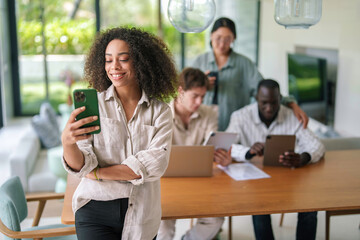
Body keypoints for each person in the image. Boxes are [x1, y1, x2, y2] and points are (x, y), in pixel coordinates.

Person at [61, 27, 178, 240]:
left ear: (142, 62)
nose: (114, 66)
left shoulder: (160, 112)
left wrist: (98, 173)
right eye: (108, 60)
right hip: (94, 208)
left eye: (123, 59)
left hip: (142, 214)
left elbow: (154, 164)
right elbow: (81, 164)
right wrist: (68, 143)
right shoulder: (94, 106)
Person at [218, 79, 325, 240]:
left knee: (310, 206)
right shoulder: (240, 117)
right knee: (259, 207)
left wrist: (303, 158)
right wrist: (248, 152)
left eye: (274, 103)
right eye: (264, 103)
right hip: (254, 184)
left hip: (288, 181)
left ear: (280, 99)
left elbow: (317, 145)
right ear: (256, 98)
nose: (269, 108)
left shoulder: (292, 116)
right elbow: (225, 148)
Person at [192, 17, 308, 131]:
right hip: (202, 128)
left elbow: (264, 91)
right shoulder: (199, 61)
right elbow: (185, 92)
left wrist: (291, 104)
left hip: (235, 129)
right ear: (211, 35)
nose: (222, 44)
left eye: (227, 39)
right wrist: (201, 84)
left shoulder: (244, 64)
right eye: (218, 38)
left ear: (234, 39)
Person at [157, 68, 225, 240]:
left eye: (202, 96)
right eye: (195, 96)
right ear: (180, 92)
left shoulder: (209, 113)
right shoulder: (160, 113)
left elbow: (213, 147)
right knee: (163, 226)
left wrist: (223, 157)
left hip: (199, 182)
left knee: (215, 219)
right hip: (166, 183)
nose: (199, 101)